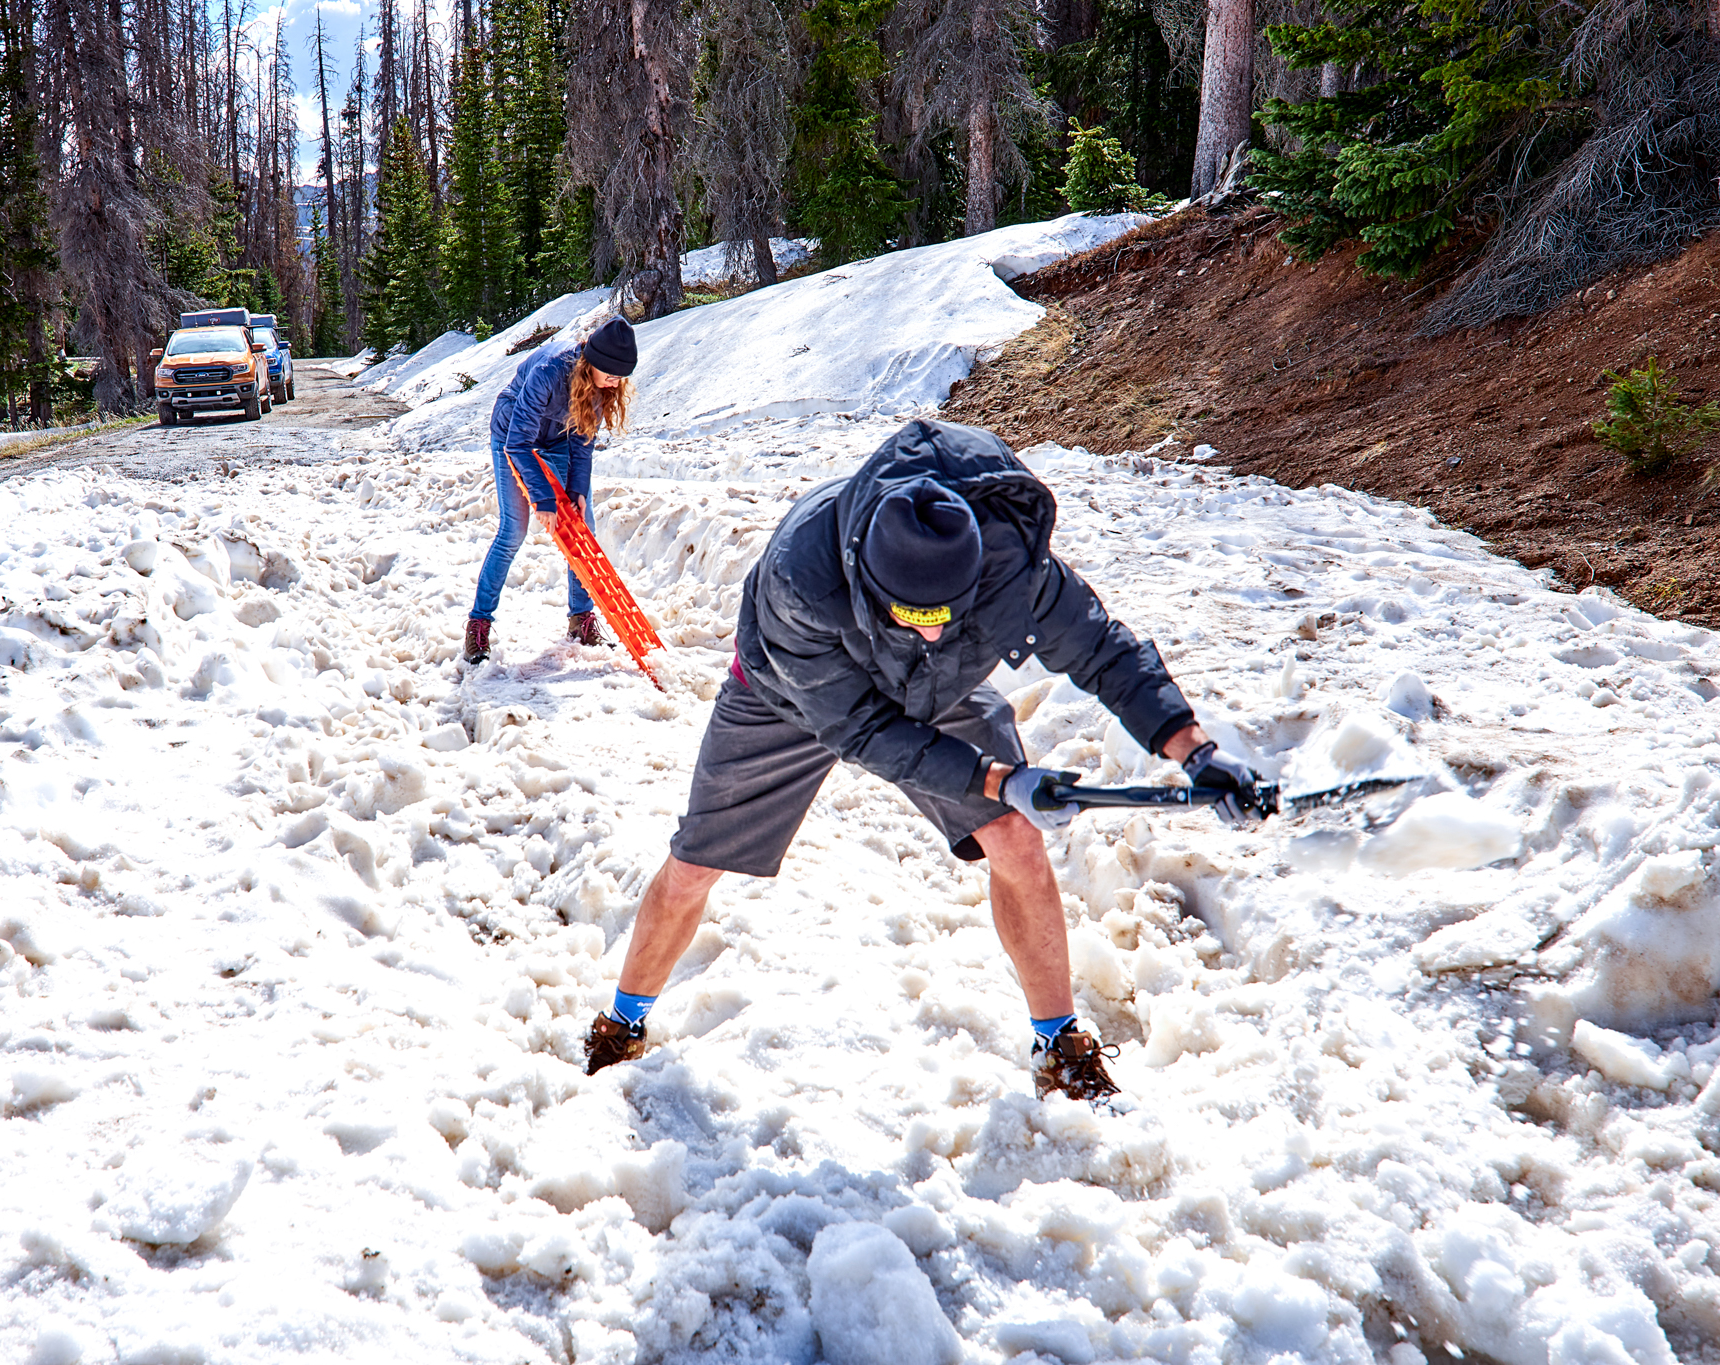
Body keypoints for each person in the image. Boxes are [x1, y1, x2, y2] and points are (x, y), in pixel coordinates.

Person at [580, 418, 1259, 1103]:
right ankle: (622, 1024)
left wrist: (1193, 747)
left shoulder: (1006, 560)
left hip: (938, 684)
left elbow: (1102, 649)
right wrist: (1000, 778)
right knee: (697, 862)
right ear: (871, 582)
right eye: (912, 611)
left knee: (1016, 840)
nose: (933, 624)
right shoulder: (802, 578)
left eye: (947, 610)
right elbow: (863, 729)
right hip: (788, 695)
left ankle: (1059, 1044)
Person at [466, 317, 638, 664]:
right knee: (513, 530)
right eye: (611, 373)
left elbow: (583, 445)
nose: (615, 382)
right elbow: (518, 444)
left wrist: (576, 490)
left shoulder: (602, 388)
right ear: (594, 361)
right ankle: (478, 624)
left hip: (558, 437)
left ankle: (581, 619)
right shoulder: (550, 372)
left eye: (621, 376)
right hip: (512, 433)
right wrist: (543, 497)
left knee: (582, 526)